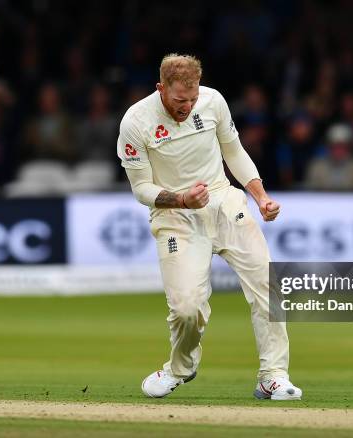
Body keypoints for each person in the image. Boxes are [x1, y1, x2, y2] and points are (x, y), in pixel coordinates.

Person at [117, 54, 301, 401]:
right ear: (161, 88)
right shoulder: (136, 121)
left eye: (192, 99)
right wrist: (183, 199)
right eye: (178, 100)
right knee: (187, 309)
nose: (186, 107)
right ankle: (180, 368)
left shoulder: (213, 101)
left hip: (222, 201)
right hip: (175, 214)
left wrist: (260, 197)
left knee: (267, 283)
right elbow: (141, 189)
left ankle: (273, 375)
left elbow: (234, 151)